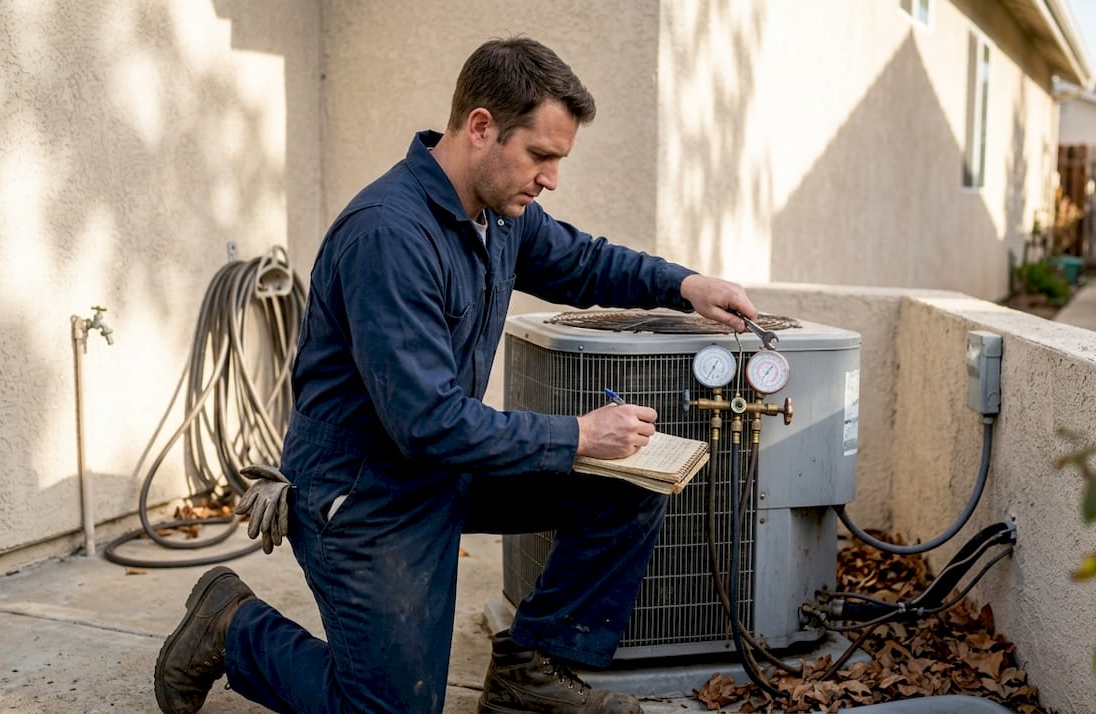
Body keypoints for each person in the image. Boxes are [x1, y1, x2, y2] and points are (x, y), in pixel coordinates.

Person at [153, 36, 757, 714]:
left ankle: (527, 675)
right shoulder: (390, 236)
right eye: (541, 156)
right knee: (389, 709)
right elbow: (427, 423)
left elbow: (584, 262)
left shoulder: (497, 215)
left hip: (442, 466)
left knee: (627, 485)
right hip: (363, 492)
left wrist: (688, 284)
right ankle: (231, 625)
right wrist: (577, 435)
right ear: (480, 128)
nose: (551, 177)